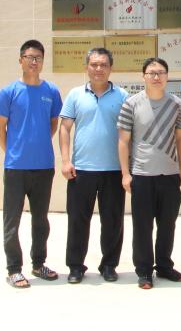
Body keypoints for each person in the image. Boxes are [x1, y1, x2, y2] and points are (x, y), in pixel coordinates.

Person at [0, 39, 63, 289]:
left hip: (43, 166)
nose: (34, 62)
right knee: (12, 220)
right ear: (20, 60)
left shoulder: (51, 91)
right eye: (29, 57)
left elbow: (53, 124)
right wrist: (13, 151)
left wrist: (37, 144)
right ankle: (14, 269)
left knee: (41, 220)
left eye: (38, 58)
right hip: (15, 168)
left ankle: (38, 263)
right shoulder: (8, 92)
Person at [58, 47, 128, 284]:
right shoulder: (75, 94)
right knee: (77, 221)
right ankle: (75, 266)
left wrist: (127, 169)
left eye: (103, 64)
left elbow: (128, 133)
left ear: (111, 68)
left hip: (113, 170)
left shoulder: (122, 96)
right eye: (94, 64)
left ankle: (109, 265)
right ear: (87, 67)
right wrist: (65, 161)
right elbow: (65, 128)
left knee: (113, 222)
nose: (99, 69)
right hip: (81, 170)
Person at [117, 57, 181, 289]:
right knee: (142, 227)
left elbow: (180, 138)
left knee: (168, 225)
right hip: (142, 175)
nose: (156, 77)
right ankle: (144, 270)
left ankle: (164, 266)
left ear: (167, 76)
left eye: (161, 72)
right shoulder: (131, 104)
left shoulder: (176, 104)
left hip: (169, 175)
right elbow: (123, 141)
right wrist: (125, 174)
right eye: (151, 73)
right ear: (144, 76)